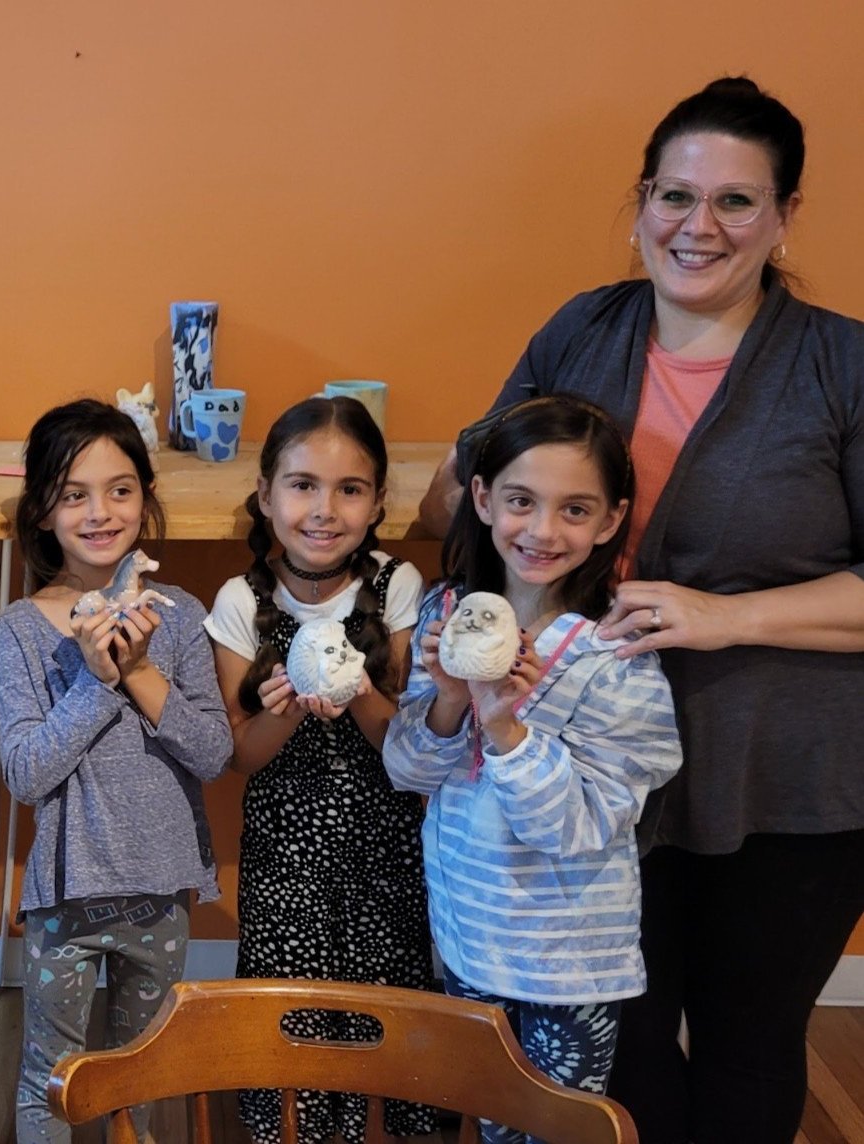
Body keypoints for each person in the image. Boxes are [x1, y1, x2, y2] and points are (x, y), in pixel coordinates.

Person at [417, 78, 864, 1144]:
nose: (696, 227)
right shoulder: (582, 329)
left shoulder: (841, 365)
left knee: (748, 1036)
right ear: (639, 202)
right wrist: (468, 487)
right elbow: (472, 494)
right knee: (614, 1036)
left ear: (783, 216)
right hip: (584, 772)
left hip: (781, 779)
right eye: (674, 195)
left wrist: (724, 618)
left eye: (734, 202)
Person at [385, 395, 682, 1144]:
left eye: (575, 510)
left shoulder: (616, 653)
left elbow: (578, 827)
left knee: (551, 1132)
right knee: (488, 1123)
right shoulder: (447, 613)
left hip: (565, 966)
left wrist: (507, 725)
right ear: (482, 499)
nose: (544, 530)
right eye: (521, 501)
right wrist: (450, 702)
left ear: (611, 520)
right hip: (467, 940)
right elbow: (410, 772)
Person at [0, 400, 232, 1144]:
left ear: (145, 499)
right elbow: (26, 773)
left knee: (140, 1072)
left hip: (159, 890)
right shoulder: (21, 630)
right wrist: (96, 678)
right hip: (65, 901)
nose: (100, 511)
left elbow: (213, 752)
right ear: (43, 512)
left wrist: (137, 671)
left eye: (120, 489)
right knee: (53, 1077)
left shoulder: (182, 616)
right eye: (74, 494)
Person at [205, 395, 435, 1144]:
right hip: (285, 858)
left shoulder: (396, 587)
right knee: (293, 1018)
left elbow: (405, 746)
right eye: (302, 485)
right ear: (266, 494)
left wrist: (360, 688)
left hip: (385, 853)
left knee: (388, 1010)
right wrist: (287, 708)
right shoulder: (243, 601)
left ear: (376, 504)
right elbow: (240, 755)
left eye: (350, 488)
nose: (323, 509)